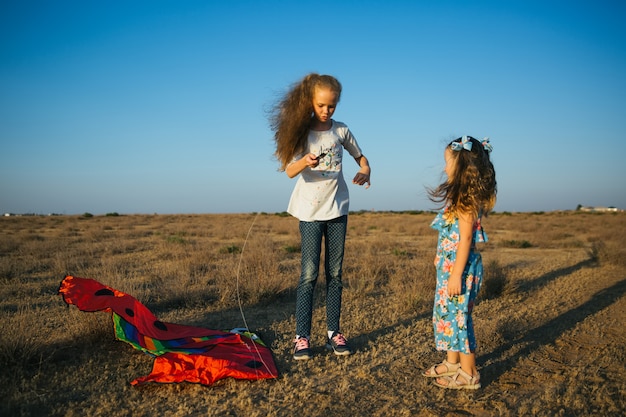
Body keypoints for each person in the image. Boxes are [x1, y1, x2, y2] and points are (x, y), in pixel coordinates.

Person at [269, 73, 371, 360]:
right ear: (310, 103)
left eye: (332, 106)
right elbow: (289, 171)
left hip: (337, 209)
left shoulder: (342, 131)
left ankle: (334, 334)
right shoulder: (301, 133)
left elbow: (360, 157)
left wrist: (365, 170)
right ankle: (302, 337)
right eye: (322, 105)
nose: (327, 111)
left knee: (335, 274)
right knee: (309, 274)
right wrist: (304, 161)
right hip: (310, 212)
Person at [422, 135, 496, 389]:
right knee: (446, 314)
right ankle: (452, 363)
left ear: (462, 165)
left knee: (460, 318)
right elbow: (449, 235)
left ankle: (469, 373)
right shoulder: (457, 198)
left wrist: (455, 274)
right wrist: (440, 255)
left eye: (447, 162)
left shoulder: (466, 201)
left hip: (460, 270)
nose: (444, 168)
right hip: (450, 265)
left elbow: (465, 240)